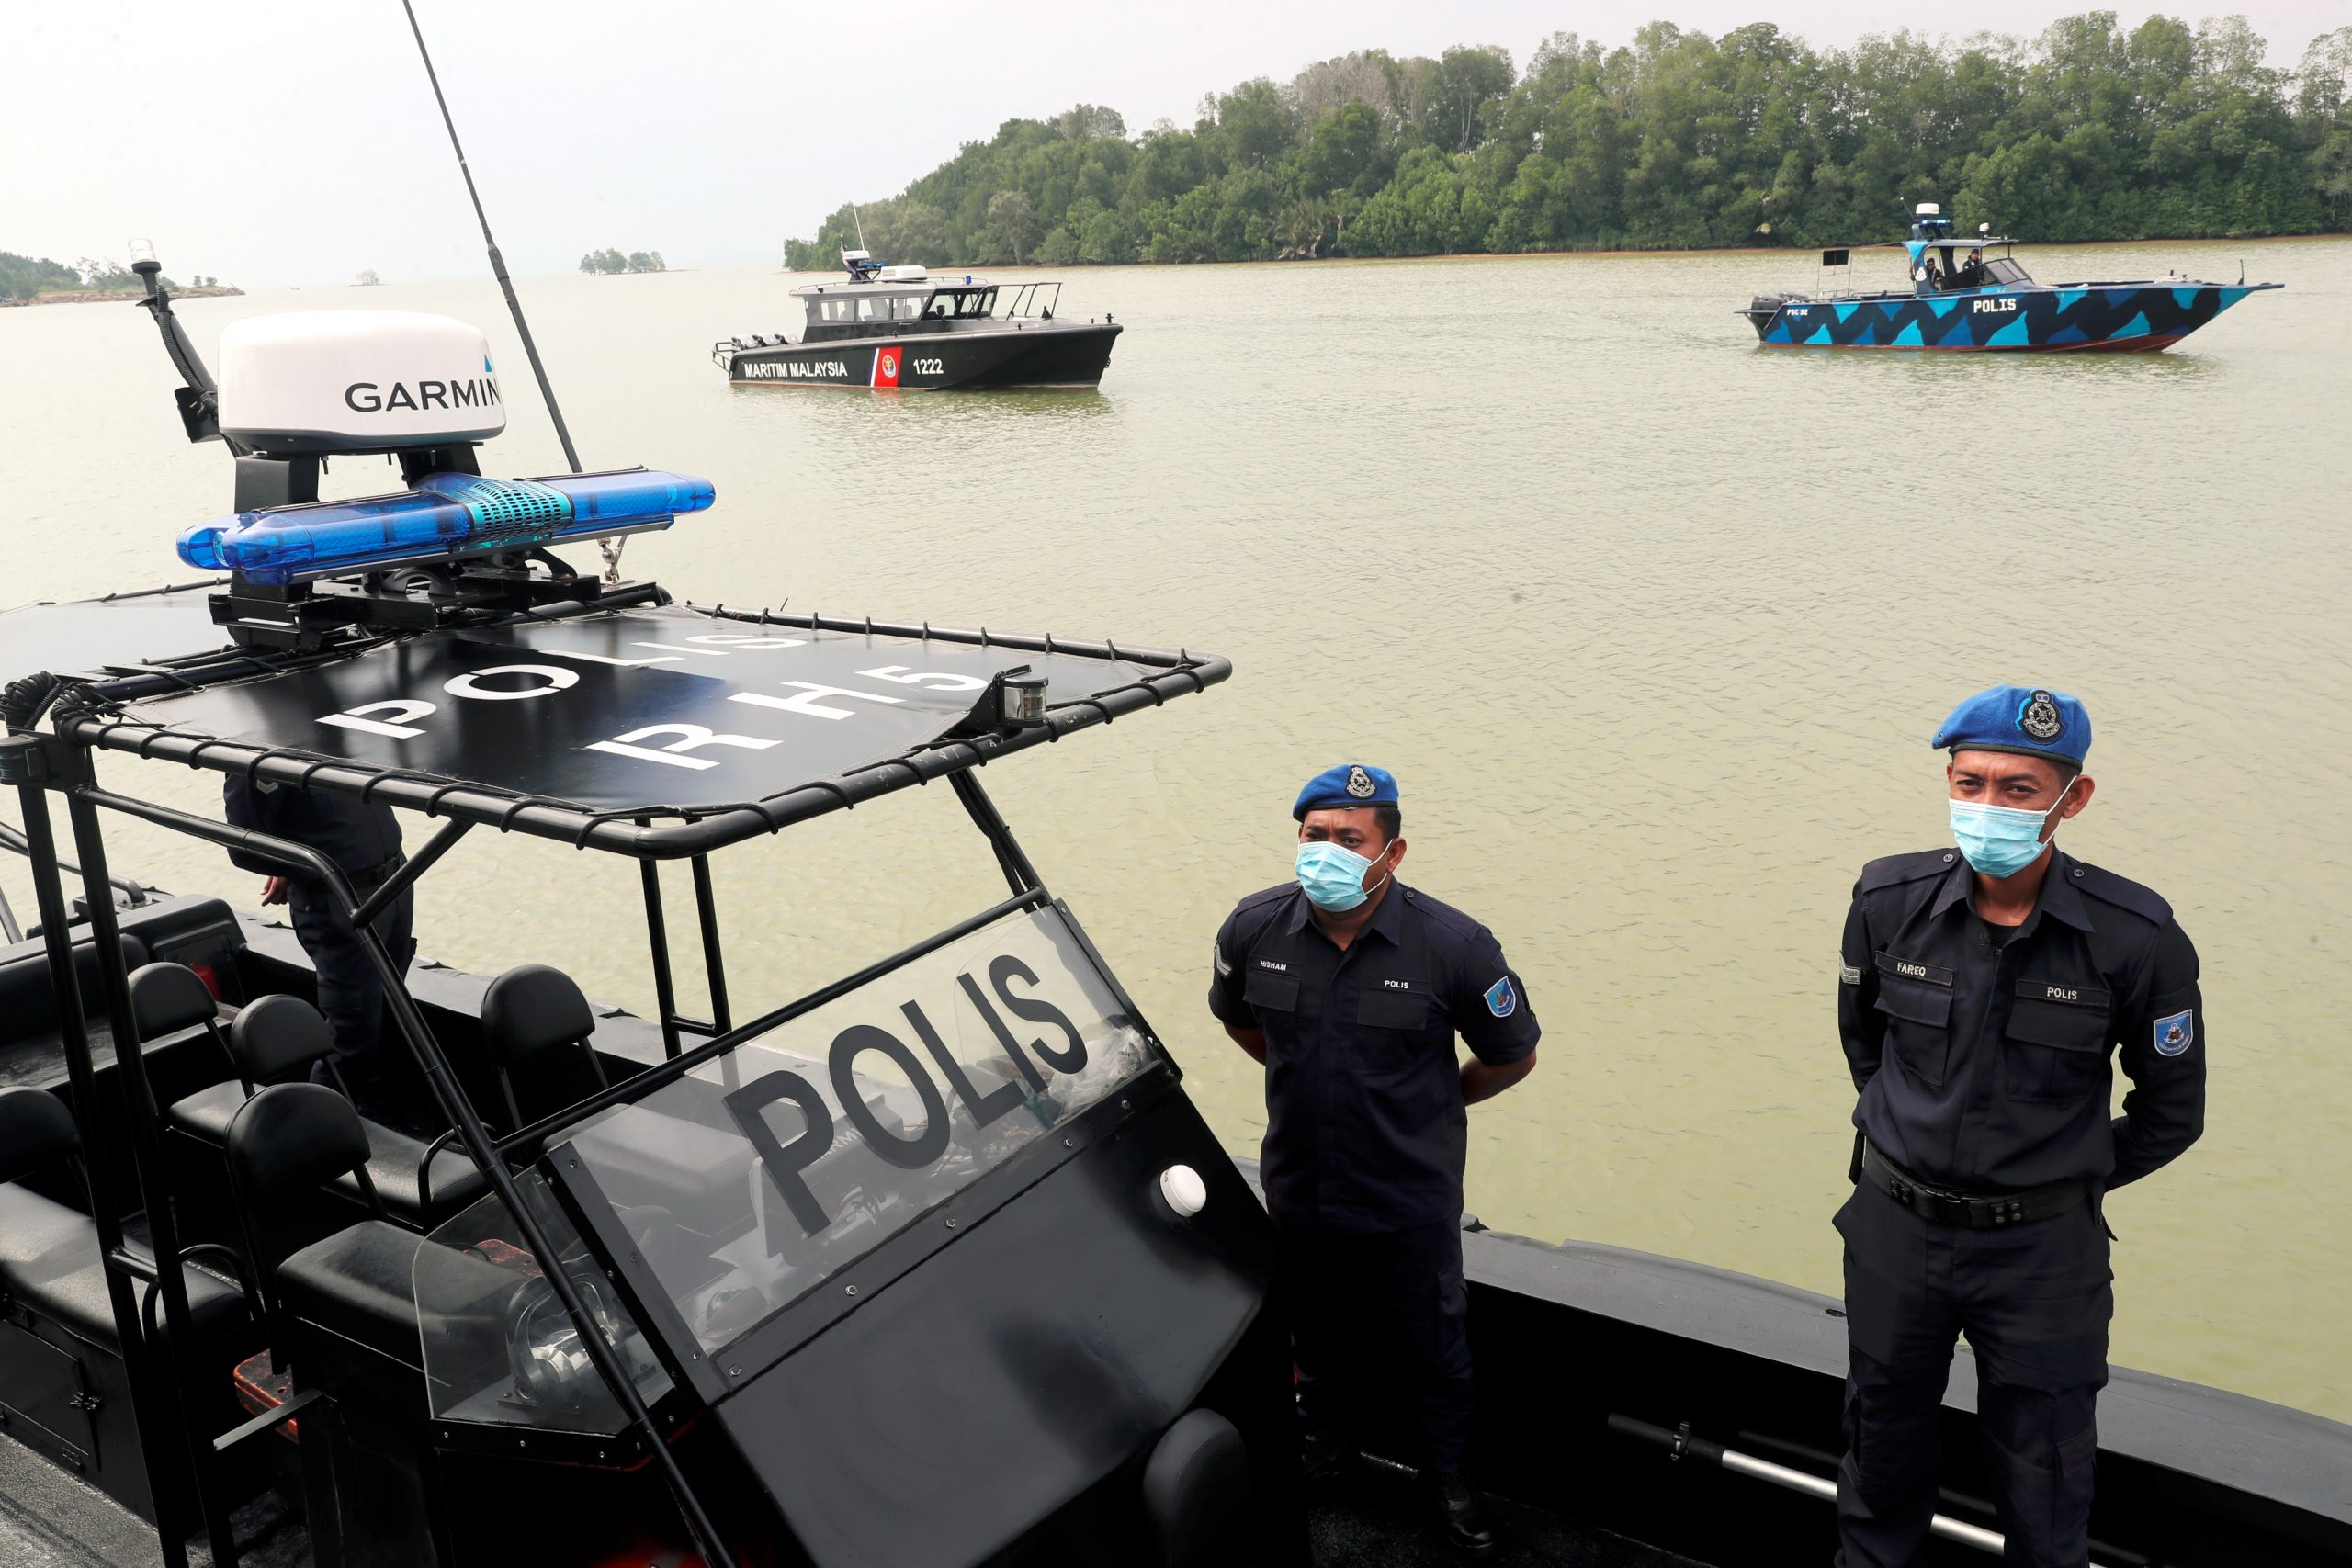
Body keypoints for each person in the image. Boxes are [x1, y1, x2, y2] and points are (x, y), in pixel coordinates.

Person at [1833, 686, 2205, 1568]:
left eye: (2018, 789)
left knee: (2046, 1478)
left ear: (2071, 798)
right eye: (1970, 782)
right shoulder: (1889, 899)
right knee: (1878, 1446)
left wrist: (2060, 1176)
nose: (1987, 807)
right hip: (1896, 1232)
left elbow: (2171, 1112)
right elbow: (1866, 1047)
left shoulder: (2137, 937)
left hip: (2042, 1257)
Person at [1208, 764, 1541, 1557]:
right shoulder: (1254, 929)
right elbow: (1241, 1025)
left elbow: (1512, 1054)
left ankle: (1448, 1479)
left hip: (1409, 1194)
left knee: (1435, 1345)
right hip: (1300, 1184)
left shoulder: (1455, 946)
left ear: (1391, 853)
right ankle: (1327, 1449)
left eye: (1348, 839)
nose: (1326, 851)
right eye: (1314, 836)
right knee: (1315, 1334)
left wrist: (1434, 1104)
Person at [222, 776, 423, 1129]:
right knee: (352, 1034)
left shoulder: (330, 735)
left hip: (394, 886)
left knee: (388, 1019)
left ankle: (382, 1130)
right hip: (339, 903)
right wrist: (294, 864)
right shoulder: (256, 751)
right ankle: (316, 1139)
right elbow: (244, 844)